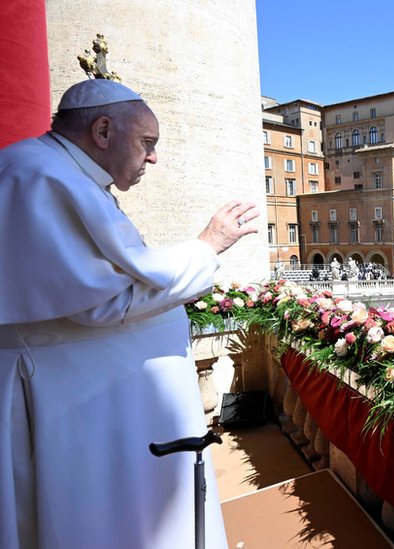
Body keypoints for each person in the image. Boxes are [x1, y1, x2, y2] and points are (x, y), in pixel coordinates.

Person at [0, 79, 256, 549]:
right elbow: (103, 301)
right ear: (102, 130)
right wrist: (206, 248)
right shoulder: (41, 176)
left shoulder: (54, 171)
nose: (153, 158)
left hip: (85, 394)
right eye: (147, 143)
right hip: (69, 400)